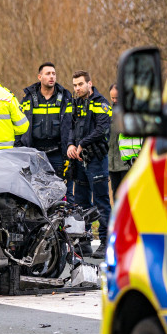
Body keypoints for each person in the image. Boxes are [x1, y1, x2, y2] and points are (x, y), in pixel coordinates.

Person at [68, 70, 111, 257]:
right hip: (79, 161)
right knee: (81, 203)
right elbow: (70, 126)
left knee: (101, 202)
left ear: (89, 84)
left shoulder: (101, 103)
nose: (77, 88)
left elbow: (102, 129)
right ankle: (84, 242)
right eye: (75, 85)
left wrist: (81, 143)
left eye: (80, 84)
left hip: (96, 160)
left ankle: (106, 242)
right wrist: (70, 144)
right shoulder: (75, 103)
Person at [17, 62, 74, 192]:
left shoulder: (65, 97)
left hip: (58, 155)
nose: (52, 77)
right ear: (39, 77)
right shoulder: (28, 98)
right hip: (35, 154)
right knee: (37, 192)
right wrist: (20, 148)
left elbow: (71, 125)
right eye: (48, 74)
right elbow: (19, 125)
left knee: (63, 192)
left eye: (54, 74)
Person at [107, 82, 144, 199]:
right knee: (116, 193)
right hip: (112, 163)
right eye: (112, 98)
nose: (115, 100)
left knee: (128, 194)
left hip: (127, 162)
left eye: (117, 97)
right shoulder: (108, 113)